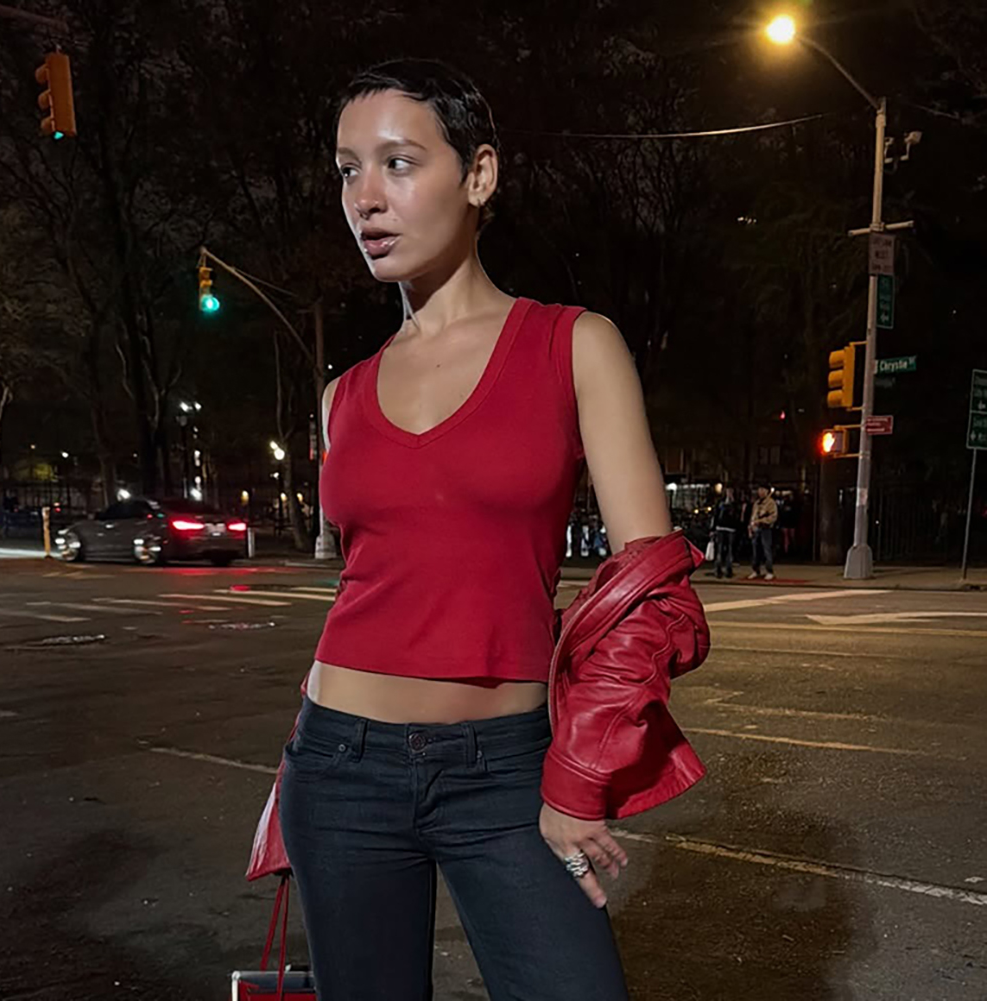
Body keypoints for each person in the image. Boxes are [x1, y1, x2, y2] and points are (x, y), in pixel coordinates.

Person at [274, 59, 707, 1001]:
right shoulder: (340, 393)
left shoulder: (570, 343)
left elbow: (651, 583)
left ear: (479, 175)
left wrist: (576, 775)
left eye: (398, 162)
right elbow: (378, 583)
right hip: (338, 768)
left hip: (507, 770)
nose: (366, 200)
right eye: (349, 170)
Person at [748, 484, 778, 580]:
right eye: (759, 489)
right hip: (756, 529)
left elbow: (773, 517)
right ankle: (755, 570)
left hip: (766, 528)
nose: (760, 492)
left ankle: (769, 570)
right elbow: (753, 516)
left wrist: (761, 521)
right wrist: (750, 527)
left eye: (763, 490)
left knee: (766, 550)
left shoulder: (770, 503)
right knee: (755, 551)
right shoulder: (756, 503)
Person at [711, 486, 740, 578]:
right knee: (719, 550)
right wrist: (713, 528)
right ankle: (718, 569)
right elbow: (715, 515)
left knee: (730, 550)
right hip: (720, 528)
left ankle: (728, 569)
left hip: (731, 528)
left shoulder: (736, 503)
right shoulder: (720, 503)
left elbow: (737, 515)